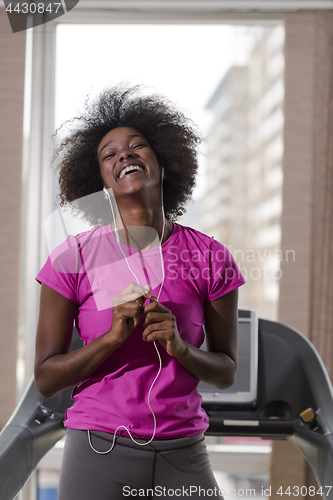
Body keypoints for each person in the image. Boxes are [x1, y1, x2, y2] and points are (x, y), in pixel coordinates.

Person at [34, 85, 246, 500]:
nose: (124, 156)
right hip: (98, 446)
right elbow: (46, 379)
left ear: (164, 165)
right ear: (99, 182)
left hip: (183, 450)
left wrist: (180, 347)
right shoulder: (72, 257)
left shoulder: (209, 256)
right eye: (108, 155)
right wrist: (113, 337)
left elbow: (226, 372)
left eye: (137, 147)